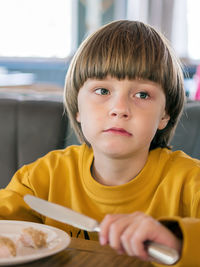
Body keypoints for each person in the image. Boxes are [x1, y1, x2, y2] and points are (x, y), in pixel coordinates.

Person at [0, 20, 199, 267]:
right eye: (103, 91)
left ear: (164, 115)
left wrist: (178, 242)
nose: (120, 109)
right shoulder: (43, 178)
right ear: (77, 109)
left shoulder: (190, 182)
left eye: (142, 95)